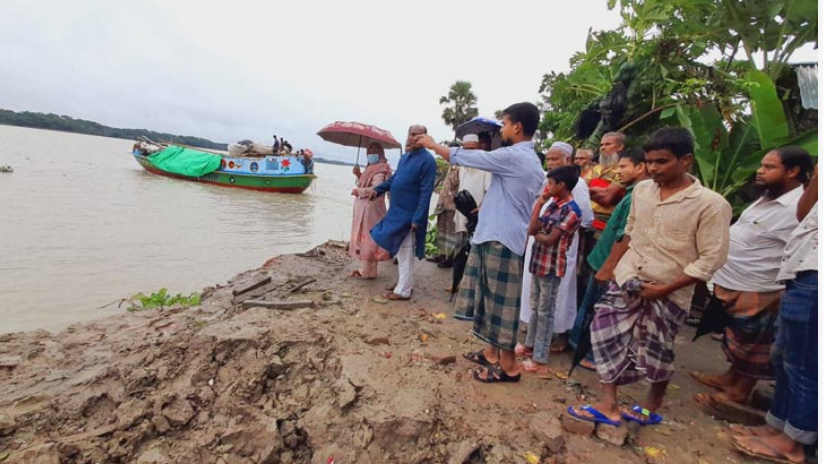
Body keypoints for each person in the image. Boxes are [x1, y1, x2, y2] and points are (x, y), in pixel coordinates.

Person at [568, 127, 732, 426]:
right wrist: (609, 267)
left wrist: (665, 288)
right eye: (650, 161)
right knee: (604, 332)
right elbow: (628, 232)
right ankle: (609, 404)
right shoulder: (642, 191)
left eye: (662, 161)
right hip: (627, 277)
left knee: (657, 350)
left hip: (669, 289)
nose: (653, 168)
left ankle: (650, 406)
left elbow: (711, 259)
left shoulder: (711, 204)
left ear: (686, 161)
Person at [414, 102, 545, 383]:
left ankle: (509, 367)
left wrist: (433, 145)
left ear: (517, 127)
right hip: (493, 235)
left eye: (505, 124)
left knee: (501, 305)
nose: (503, 129)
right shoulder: (518, 157)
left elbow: (468, 158)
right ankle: (491, 353)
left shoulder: (517, 157)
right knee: (488, 300)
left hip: (502, 239)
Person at [692, 147, 812, 406]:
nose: (760, 170)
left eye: (769, 167)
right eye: (762, 165)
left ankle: (740, 391)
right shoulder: (767, 196)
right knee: (739, 337)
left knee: (756, 344)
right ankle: (729, 378)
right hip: (736, 279)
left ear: (792, 171)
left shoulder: (798, 205)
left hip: (763, 285)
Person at [731, 165, 817, 464]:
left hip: (815, 276)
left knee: (805, 365)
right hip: (800, 272)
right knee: (783, 358)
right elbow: (805, 215)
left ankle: (794, 443)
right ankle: (777, 425)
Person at [568, 147, 649, 371]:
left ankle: (592, 355)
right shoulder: (632, 192)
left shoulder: (638, 196)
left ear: (640, 167)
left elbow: (625, 235)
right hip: (601, 258)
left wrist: (609, 266)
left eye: (623, 167)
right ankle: (578, 348)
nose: (619, 171)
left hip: (608, 263)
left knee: (601, 310)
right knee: (590, 305)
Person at [518, 142, 593, 354]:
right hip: (539, 249)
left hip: (560, 248)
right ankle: (535, 335)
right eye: (549, 159)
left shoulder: (577, 187)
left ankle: (557, 336)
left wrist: (548, 232)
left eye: (555, 159)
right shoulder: (546, 182)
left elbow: (585, 219)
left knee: (556, 297)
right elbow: (535, 218)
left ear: (567, 160)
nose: (550, 163)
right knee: (535, 295)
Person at [520, 165, 582, 375]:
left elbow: (548, 239)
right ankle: (530, 347)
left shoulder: (572, 211)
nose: (547, 187)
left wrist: (535, 233)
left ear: (561, 185)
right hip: (539, 263)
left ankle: (540, 357)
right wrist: (539, 203)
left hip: (552, 267)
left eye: (551, 183)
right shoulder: (552, 204)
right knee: (536, 307)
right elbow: (532, 227)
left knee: (545, 312)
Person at [368, 125, 437, 301]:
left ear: (424, 137)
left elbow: (426, 192)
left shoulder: (428, 161)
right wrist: (378, 190)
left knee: (406, 252)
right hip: (395, 211)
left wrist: (418, 218)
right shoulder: (405, 158)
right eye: (410, 134)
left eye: (417, 135)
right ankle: (404, 282)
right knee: (398, 249)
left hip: (409, 214)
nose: (412, 138)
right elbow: (394, 179)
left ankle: (403, 291)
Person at [348, 143, 393, 279]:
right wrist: (358, 175)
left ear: (381, 152)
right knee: (365, 238)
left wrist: (358, 191)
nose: (371, 153)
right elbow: (364, 183)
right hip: (364, 209)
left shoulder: (381, 168)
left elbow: (377, 188)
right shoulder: (371, 167)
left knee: (369, 239)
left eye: (374, 150)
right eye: (369, 150)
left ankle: (367, 272)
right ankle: (366, 271)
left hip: (371, 209)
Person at [589, 132, 626, 231]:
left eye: (608, 144)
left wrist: (587, 191)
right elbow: (578, 188)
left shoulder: (622, 170)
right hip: (588, 216)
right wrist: (601, 190)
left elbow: (606, 199)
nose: (603, 148)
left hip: (606, 219)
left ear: (620, 147)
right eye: (601, 145)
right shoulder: (595, 168)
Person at [431, 163, 461, 268]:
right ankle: (441, 254)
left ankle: (450, 258)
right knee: (441, 231)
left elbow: (455, 185)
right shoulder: (450, 167)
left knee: (450, 233)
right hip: (443, 204)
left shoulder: (459, 168)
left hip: (452, 206)